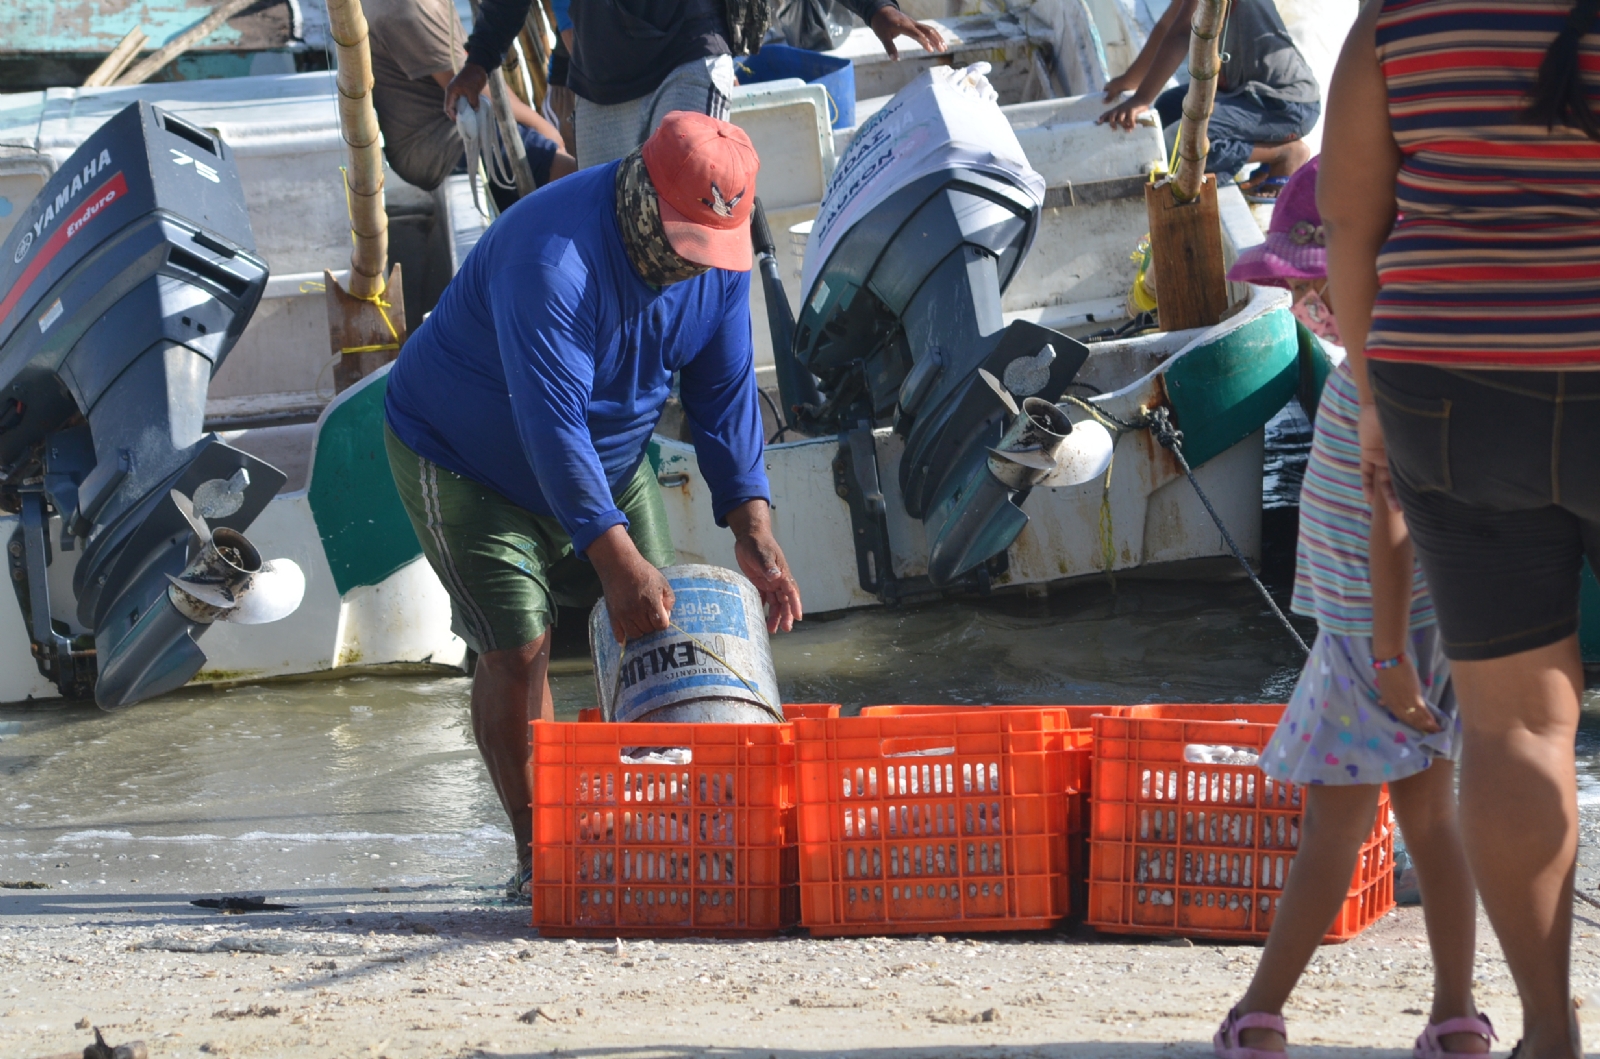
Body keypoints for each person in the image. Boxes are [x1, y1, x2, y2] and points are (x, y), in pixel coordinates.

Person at [382, 112, 804, 899]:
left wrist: (753, 523)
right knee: (520, 646)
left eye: (710, 249)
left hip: (609, 456)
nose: (693, 267)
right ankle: (541, 852)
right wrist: (615, 560)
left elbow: (725, 391)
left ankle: (658, 836)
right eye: (683, 244)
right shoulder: (552, 256)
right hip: (466, 458)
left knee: (661, 627)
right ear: (643, 195)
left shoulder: (719, 261)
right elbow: (550, 424)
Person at [1319, 0, 1600, 1054]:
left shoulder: (1403, 14)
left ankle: (1546, 1030)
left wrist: (1376, 397)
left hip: (1454, 385)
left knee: (1516, 724)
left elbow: (1351, 218)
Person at [1210, 158, 1491, 1059]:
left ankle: (1260, 1012)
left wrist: (1382, 656)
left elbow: (1394, 517)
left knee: (1333, 830)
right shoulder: (1406, 359)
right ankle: (1456, 1016)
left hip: (1375, 642)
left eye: (1311, 286)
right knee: (1433, 821)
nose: (1301, 306)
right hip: (1414, 631)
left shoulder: (1375, 378)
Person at [442, 0, 949, 170]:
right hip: (600, 85)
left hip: (692, 56)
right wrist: (478, 63)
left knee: (685, 191)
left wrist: (877, 10)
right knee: (615, 238)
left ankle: (698, 373)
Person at [1097, 0, 1318, 199]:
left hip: (1284, 104)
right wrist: (1130, 81)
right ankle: (1267, 148)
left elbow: (1183, 32)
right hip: (1245, 92)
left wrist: (1141, 98)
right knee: (1167, 106)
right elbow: (1168, 25)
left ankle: (1284, 153)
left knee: (1182, 143)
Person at [364, 0, 574, 200]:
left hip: (443, 134)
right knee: (574, 176)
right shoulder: (409, 6)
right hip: (442, 144)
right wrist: (547, 131)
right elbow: (470, 86)